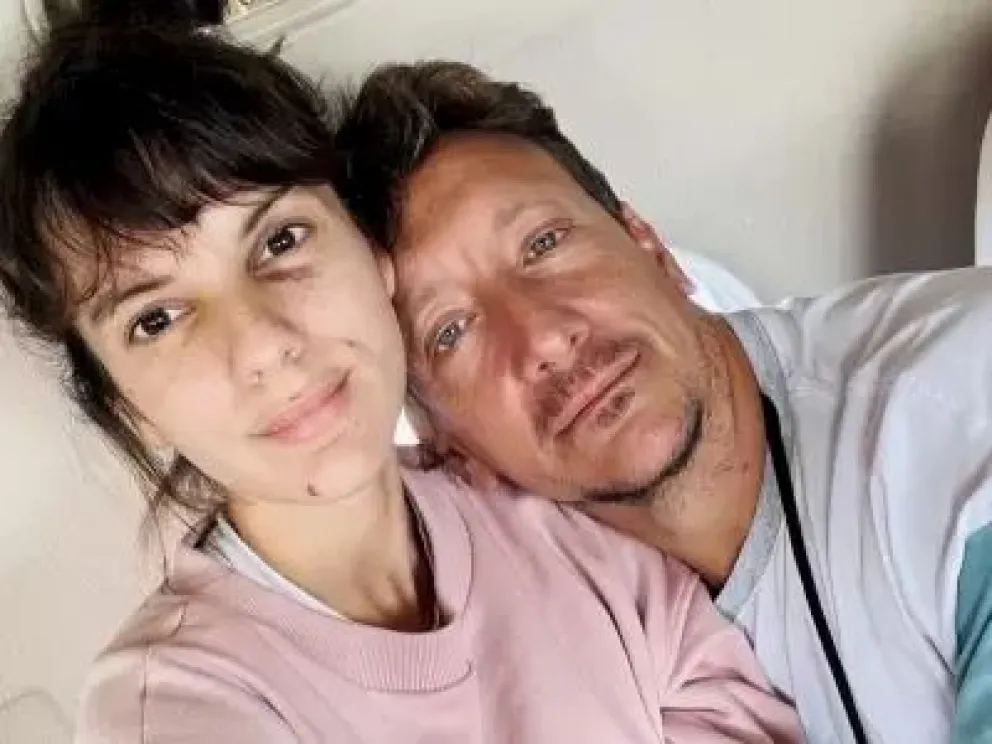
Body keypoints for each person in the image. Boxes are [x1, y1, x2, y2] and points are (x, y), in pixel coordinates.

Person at [0, 22, 800, 744]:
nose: (264, 345)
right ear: (126, 405)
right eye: (157, 319)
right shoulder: (174, 709)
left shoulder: (541, 501)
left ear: (372, 255)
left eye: (280, 240)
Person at [333, 60, 992, 744]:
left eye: (544, 244)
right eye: (451, 330)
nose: (544, 338)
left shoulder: (951, 414)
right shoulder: (558, 621)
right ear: (449, 447)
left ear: (649, 246)